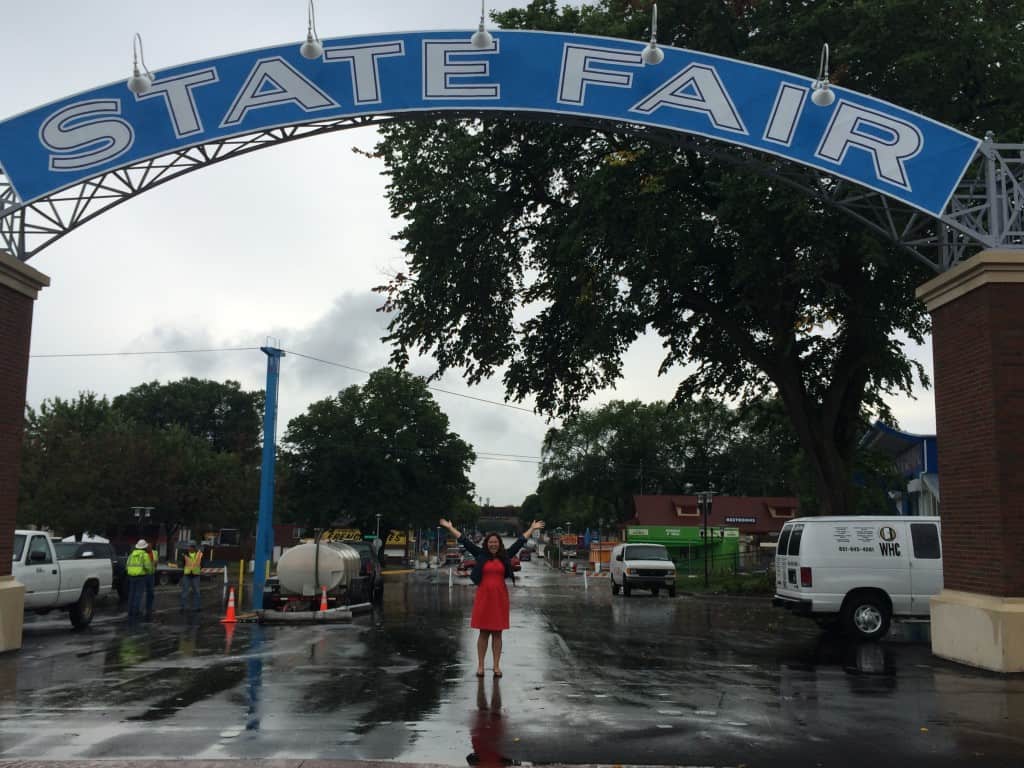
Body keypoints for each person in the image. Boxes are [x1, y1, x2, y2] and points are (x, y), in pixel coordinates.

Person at [439, 518, 545, 678]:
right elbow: (464, 540)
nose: (493, 544)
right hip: (484, 597)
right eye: (490, 542)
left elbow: (520, 542)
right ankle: (481, 666)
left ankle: (496, 666)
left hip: (500, 598)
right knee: (483, 633)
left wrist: (531, 528)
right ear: (487, 544)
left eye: (496, 542)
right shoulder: (480, 554)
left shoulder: (505, 556)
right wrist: (450, 528)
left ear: (499, 544)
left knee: (497, 633)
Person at [125, 539, 150, 622]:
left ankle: (130, 611)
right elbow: (148, 567)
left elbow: (127, 565)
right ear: (144, 547)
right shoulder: (145, 555)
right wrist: (148, 572)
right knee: (138, 595)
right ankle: (136, 612)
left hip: (131, 576)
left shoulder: (131, 555)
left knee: (131, 594)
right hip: (141, 576)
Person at [180, 542, 203, 612]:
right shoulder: (185, 554)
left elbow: (202, 563)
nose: (189, 548)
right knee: (185, 592)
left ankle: (197, 607)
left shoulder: (199, 554)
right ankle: (183, 607)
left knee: (197, 592)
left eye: (190, 547)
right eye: (189, 547)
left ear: (194, 548)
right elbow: (183, 564)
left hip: (196, 575)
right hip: (187, 575)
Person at [143, 541, 157, 620]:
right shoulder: (144, 554)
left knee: (151, 593)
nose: (149, 548)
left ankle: (149, 608)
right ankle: (143, 608)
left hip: (152, 574)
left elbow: (156, 562)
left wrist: (155, 565)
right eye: (148, 547)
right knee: (143, 592)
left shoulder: (155, 553)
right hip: (145, 575)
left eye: (150, 546)